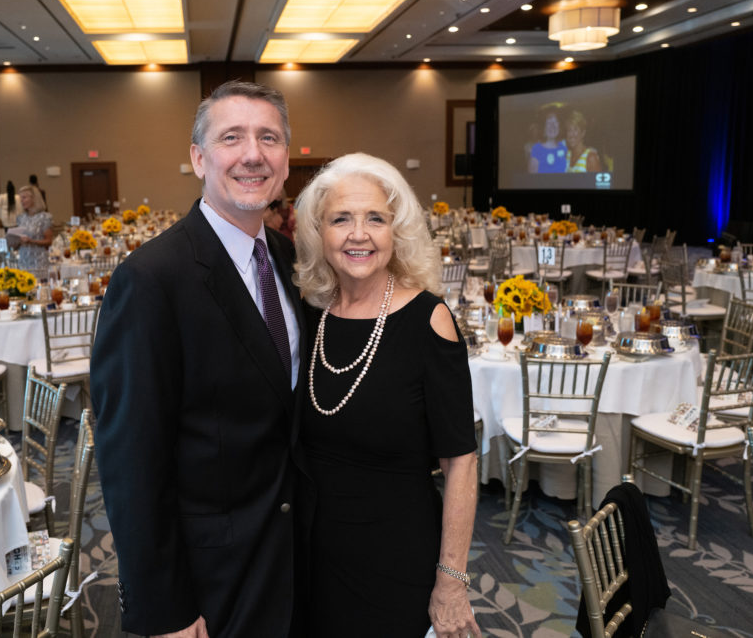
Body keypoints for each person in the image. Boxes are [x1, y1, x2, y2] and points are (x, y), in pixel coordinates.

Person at [91, 80, 306, 638]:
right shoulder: (150, 279)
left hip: (290, 554)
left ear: (286, 161)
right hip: (207, 575)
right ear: (198, 158)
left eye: (269, 138)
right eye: (231, 137)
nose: (253, 154)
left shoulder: (288, 258)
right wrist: (165, 608)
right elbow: (131, 464)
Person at [293, 152, 480, 638]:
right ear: (319, 232)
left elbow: (461, 461)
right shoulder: (310, 313)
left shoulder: (428, 320)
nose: (359, 234)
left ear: (397, 231)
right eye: (341, 219)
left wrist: (452, 583)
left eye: (375, 218)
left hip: (394, 558)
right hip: (310, 555)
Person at [14, 184, 53, 280]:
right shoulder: (20, 218)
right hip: (23, 260)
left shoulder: (44, 217)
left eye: (24, 198)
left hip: (38, 262)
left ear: (34, 198)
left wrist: (32, 241)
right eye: (20, 198)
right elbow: (18, 239)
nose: (22, 201)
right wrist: (15, 240)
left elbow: (48, 241)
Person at [527, 107, 567, 173]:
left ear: (559, 126)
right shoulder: (537, 149)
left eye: (555, 122)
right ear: (544, 127)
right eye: (549, 123)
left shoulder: (563, 147)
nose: (552, 126)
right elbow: (531, 179)